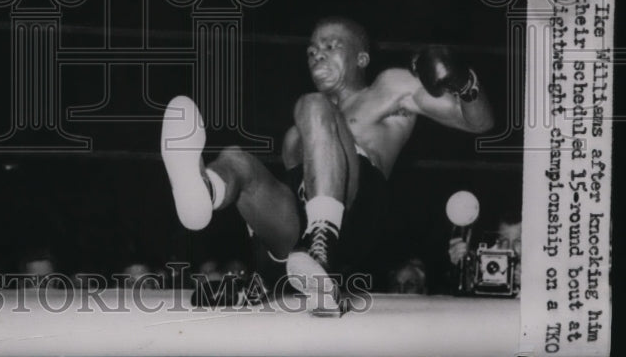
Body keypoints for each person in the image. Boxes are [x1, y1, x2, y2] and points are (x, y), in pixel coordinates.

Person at [161, 17, 495, 314]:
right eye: (311, 51)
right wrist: (262, 279)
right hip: (302, 231)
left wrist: (464, 83)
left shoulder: (389, 88)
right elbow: (286, 212)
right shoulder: (297, 136)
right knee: (236, 159)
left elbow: (479, 122)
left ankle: (322, 245)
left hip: (357, 214)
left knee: (313, 105)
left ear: (361, 58)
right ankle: (204, 191)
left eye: (330, 46)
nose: (317, 55)